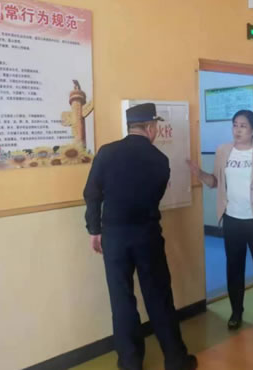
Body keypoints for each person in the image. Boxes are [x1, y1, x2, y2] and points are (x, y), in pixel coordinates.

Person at [83, 103, 198, 370]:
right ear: (150, 127)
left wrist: (94, 230)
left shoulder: (106, 153)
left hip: (114, 236)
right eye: (155, 126)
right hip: (147, 235)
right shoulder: (160, 160)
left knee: (121, 299)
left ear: (130, 126)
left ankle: (130, 362)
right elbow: (155, 196)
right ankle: (176, 360)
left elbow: (91, 193)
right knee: (159, 297)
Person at [186, 110, 253, 330]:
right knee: (234, 267)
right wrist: (199, 174)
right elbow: (215, 182)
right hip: (232, 219)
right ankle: (236, 311)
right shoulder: (223, 151)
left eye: (243, 126)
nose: (237, 130)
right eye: (235, 125)